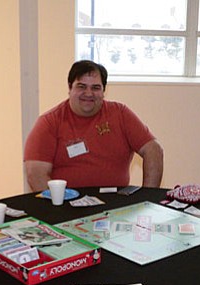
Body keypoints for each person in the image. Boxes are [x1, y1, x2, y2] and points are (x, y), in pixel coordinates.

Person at [24, 60, 164, 190]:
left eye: (95, 87)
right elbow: (35, 174)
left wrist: (148, 198)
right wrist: (57, 205)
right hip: (67, 205)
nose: (88, 93)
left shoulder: (120, 114)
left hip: (116, 203)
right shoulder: (49, 122)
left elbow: (153, 150)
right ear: (69, 87)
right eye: (81, 86)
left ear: (104, 91)